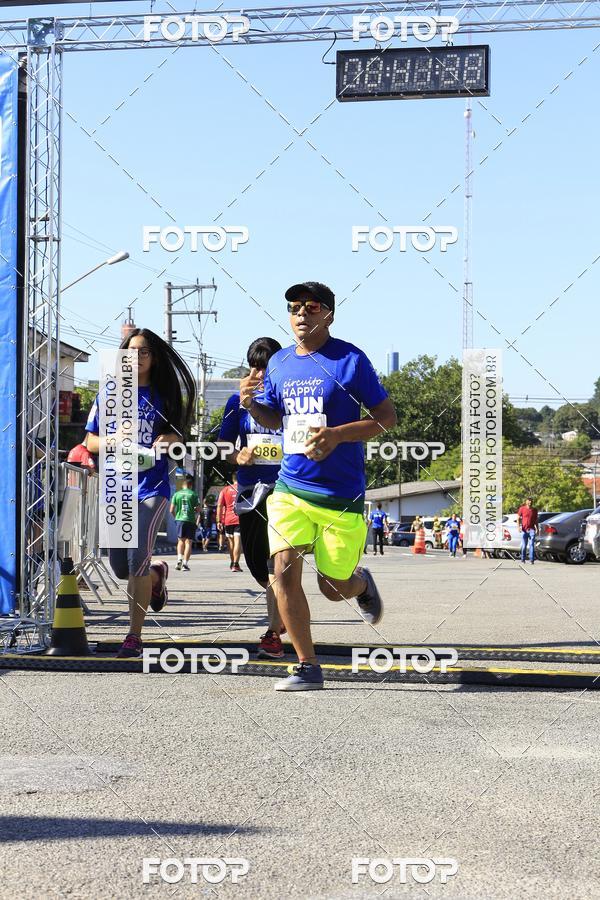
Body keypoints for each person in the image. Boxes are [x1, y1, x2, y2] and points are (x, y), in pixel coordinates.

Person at [240, 281, 397, 691]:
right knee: (283, 570)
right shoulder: (279, 363)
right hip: (290, 488)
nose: (301, 314)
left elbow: (385, 417)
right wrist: (252, 405)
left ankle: (359, 584)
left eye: (311, 307)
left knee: (331, 587)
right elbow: (276, 419)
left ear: (328, 313)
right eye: (294, 307)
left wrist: (339, 436)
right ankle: (307, 665)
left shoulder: (350, 359)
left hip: (340, 495)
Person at [85, 328, 196, 658]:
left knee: (136, 559)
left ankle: (133, 636)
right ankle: (156, 575)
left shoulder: (165, 396)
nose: (136, 358)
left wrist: (171, 441)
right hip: (117, 487)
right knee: (120, 567)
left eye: (143, 352)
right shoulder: (109, 394)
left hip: (153, 487)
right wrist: (112, 441)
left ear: (155, 357)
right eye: (130, 352)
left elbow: (180, 440)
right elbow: (90, 442)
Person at [219, 336, 286, 659]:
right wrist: (237, 456)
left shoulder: (289, 401)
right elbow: (222, 447)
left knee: (277, 564)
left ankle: (273, 632)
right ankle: (283, 608)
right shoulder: (236, 403)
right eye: (254, 367)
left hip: (285, 490)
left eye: (267, 367)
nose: (259, 374)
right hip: (249, 491)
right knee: (258, 566)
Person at [170, 474, 201, 571]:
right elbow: (199, 510)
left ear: (183, 485)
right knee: (188, 542)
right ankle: (185, 564)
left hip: (180, 520)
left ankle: (179, 559)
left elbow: (171, 510)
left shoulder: (176, 494)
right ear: (190, 485)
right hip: (190, 520)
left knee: (180, 541)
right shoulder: (194, 494)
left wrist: (176, 518)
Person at [217, 474, 242, 572]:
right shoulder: (242, 489)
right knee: (238, 542)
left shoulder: (225, 490)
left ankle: (232, 562)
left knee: (231, 542)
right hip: (239, 519)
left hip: (228, 520)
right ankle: (236, 564)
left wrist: (218, 520)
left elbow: (219, 505)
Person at [518, 497, 538, 564]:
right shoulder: (522, 509)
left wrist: (537, 528)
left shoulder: (534, 510)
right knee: (524, 546)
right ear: (526, 502)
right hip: (524, 530)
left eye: (531, 501)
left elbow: (536, 520)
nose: (530, 502)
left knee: (531, 544)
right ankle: (523, 559)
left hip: (532, 529)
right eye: (529, 501)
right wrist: (519, 527)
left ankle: (531, 560)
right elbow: (518, 518)